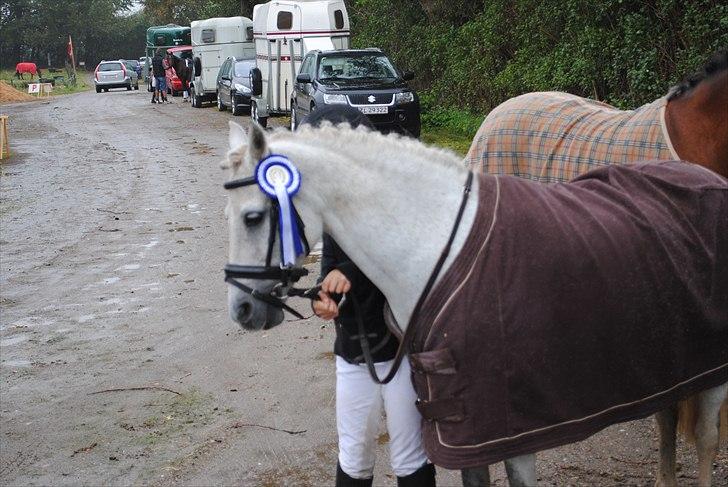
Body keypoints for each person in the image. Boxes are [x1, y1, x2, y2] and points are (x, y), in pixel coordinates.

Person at [302, 105, 436, 487]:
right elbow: (329, 268)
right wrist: (323, 296)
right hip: (353, 350)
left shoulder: (397, 200)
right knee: (354, 457)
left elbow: (401, 260)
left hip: (401, 350)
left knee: (410, 458)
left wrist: (351, 273)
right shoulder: (333, 211)